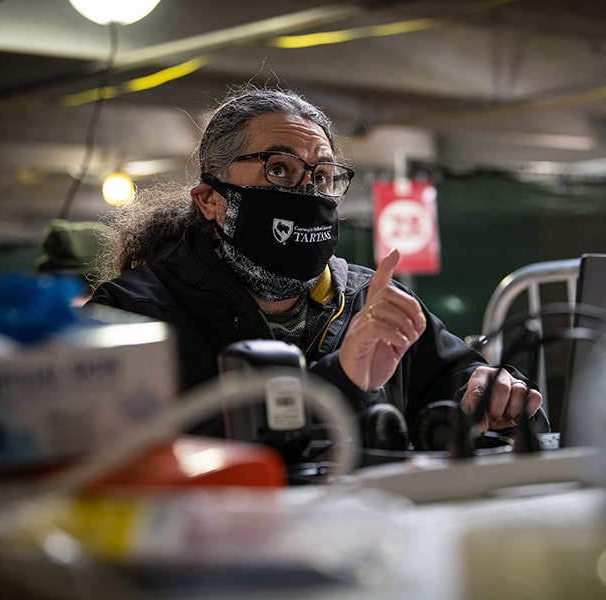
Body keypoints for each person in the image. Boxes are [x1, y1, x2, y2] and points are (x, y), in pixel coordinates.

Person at [87, 84, 547, 449]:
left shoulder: (374, 300)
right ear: (211, 200)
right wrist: (340, 380)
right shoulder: (134, 316)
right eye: (279, 170)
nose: (308, 193)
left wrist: (494, 393)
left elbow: (458, 385)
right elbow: (129, 458)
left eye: (323, 176)